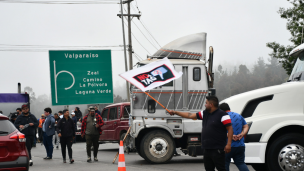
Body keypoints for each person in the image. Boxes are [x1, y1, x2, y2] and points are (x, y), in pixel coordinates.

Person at [169, 96, 233, 171]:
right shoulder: (204, 113)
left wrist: (228, 144)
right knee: (208, 169)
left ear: (211, 104)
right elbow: (190, 115)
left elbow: (230, 129)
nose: (205, 105)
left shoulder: (223, 115)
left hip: (217, 149)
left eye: (206, 103)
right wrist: (176, 112)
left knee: (221, 169)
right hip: (206, 148)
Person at [219, 103, 249, 171]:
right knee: (241, 163)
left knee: (225, 164)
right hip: (240, 145)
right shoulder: (238, 115)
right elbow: (246, 126)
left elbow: (219, 131)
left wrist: (230, 135)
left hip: (227, 146)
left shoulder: (222, 117)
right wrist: (242, 134)